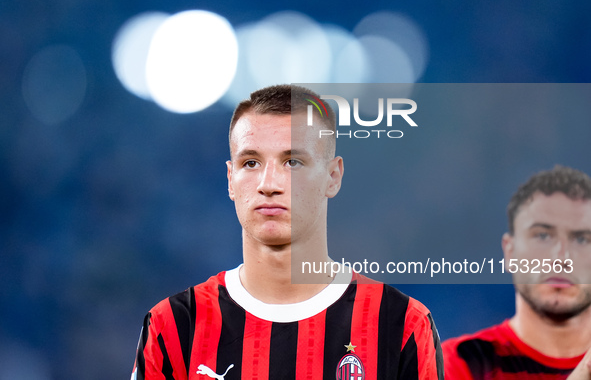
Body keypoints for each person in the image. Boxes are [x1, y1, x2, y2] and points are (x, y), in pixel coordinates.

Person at [131, 84, 443, 379]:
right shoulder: (173, 325)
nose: (269, 184)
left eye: (292, 161)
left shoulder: (400, 324)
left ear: (333, 176)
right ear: (230, 179)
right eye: (251, 163)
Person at [442, 166, 591, 379]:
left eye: (582, 239)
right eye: (542, 236)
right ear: (509, 252)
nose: (561, 258)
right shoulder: (458, 362)